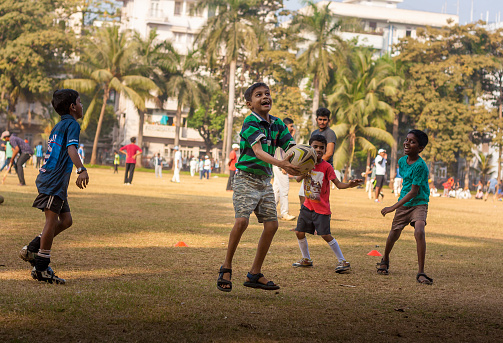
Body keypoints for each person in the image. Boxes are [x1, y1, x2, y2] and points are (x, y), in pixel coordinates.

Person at [216, 82, 301, 292]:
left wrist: (301, 162)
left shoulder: (278, 124)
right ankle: (226, 267)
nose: (265, 97)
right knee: (242, 221)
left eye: (267, 93)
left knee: (272, 226)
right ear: (249, 104)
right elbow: (258, 152)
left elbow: (290, 146)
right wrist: (281, 163)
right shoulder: (250, 122)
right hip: (245, 178)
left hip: (264, 181)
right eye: (258, 95)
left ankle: (255, 273)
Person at [18, 89, 89, 284]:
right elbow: (71, 148)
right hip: (53, 180)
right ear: (73, 107)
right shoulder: (72, 125)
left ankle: (33, 248)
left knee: (66, 220)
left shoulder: (59, 125)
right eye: (80, 102)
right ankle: (41, 268)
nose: (82, 106)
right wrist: (81, 169)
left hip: (53, 180)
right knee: (51, 220)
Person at [292, 135, 362, 271]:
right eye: (315, 147)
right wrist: (306, 168)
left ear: (325, 150)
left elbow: (339, 184)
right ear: (309, 148)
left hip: (321, 209)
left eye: (322, 148)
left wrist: (349, 185)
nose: (318, 150)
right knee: (299, 232)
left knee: (325, 235)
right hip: (307, 206)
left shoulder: (327, 167)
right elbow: (297, 178)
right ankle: (306, 259)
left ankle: (343, 261)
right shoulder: (306, 163)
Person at [378, 129, 433, 285]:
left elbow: (414, 191)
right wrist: (399, 204)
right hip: (405, 202)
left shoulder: (421, 166)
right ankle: (385, 259)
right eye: (407, 140)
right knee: (394, 234)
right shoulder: (402, 161)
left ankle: (421, 273)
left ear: (420, 148)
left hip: (419, 202)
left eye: (412, 141)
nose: (407, 143)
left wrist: (392, 207)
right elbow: (406, 183)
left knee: (420, 231)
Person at [299, 108, 337, 207]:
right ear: (316, 120)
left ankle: (317, 216)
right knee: (303, 193)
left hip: (323, 169)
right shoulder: (314, 133)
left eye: (325, 120)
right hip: (312, 167)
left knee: (317, 196)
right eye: (320, 119)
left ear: (329, 120)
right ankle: (305, 214)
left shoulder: (330, 133)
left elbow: (328, 153)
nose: (322, 122)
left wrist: (314, 163)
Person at [272, 117, 296, 220]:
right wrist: (282, 165)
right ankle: (284, 213)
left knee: (276, 189)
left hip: (278, 164)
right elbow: (279, 151)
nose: (292, 128)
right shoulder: (281, 135)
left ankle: (271, 211)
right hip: (280, 164)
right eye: (291, 126)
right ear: (286, 126)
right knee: (284, 189)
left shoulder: (284, 135)